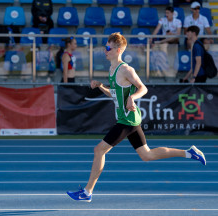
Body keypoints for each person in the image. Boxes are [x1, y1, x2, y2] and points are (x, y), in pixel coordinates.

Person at [66, 32, 206, 202]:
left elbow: (143, 88)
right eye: (105, 47)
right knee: (147, 155)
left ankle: (87, 192)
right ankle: (189, 153)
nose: (105, 50)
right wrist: (101, 86)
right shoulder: (112, 69)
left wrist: (132, 97)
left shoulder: (126, 69)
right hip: (127, 118)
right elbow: (115, 95)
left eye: (108, 47)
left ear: (118, 50)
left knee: (99, 150)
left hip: (127, 120)